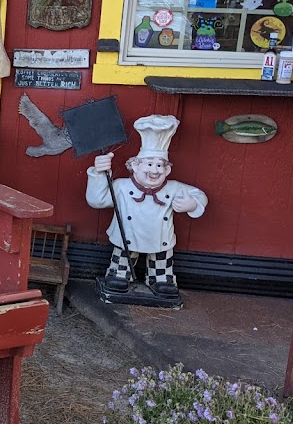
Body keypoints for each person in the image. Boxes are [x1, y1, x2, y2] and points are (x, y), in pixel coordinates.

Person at [86, 115, 207, 297]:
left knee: (162, 260)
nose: (154, 170)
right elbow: (97, 200)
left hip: (160, 239)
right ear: (135, 166)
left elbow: (199, 195)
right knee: (123, 258)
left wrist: (192, 204)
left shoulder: (173, 188)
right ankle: (119, 275)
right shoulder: (121, 186)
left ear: (167, 170)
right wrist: (98, 173)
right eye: (149, 164)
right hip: (127, 236)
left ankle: (160, 279)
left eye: (160, 165)